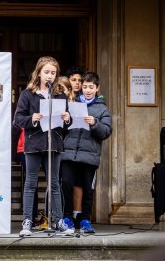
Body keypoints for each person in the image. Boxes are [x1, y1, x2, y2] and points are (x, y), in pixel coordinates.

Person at [13, 56, 73, 236]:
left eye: (53, 73)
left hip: (53, 143)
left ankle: (59, 220)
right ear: (38, 73)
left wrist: (67, 119)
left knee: (54, 183)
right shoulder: (27, 94)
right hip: (34, 143)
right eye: (46, 72)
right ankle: (27, 221)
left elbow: (67, 124)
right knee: (31, 183)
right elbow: (18, 120)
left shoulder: (59, 95)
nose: (50, 76)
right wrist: (32, 118)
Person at [61, 71, 112, 234]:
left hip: (89, 156)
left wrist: (95, 123)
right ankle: (67, 218)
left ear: (97, 88)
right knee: (66, 184)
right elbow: (61, 128)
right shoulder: (71, 103)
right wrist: (66, 119)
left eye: (91, 87)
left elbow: (106, 131)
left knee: (87, 188)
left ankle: (85, 220)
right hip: (68, 153)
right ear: (80, 88)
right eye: (85, 87)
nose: (88, 90)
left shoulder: (102, 109)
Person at [65, 67, 85, 226]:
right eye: (74, 80)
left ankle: (78, 215)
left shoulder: (85, 99)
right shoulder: (62, 98)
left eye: (80, 80)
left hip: (82, 146)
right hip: (65, 145)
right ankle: (65, 215)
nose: (77, 83)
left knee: (80, 182)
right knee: (65, 182)